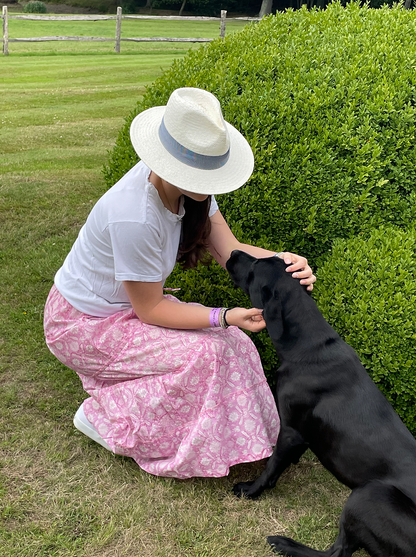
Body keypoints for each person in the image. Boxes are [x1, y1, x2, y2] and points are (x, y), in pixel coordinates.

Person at [44, 87, 316, 479]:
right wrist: (224, 316)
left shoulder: (194, 189)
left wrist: (282, 261)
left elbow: (231, 251)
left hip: (126, 310)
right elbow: (151, 309)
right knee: (207, 355)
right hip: (82, 325)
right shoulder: (134, 214)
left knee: (234, 344)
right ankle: (106, 416)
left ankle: (244, 442)